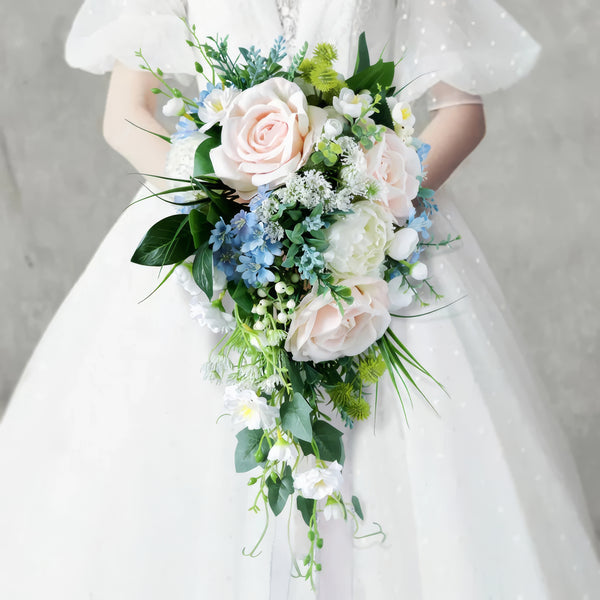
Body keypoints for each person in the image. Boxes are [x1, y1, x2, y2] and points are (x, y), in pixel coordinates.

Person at [0, 1, 599, 598]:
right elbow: (125, 113)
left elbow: (462, 113)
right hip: (215, 237)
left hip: (377, 239)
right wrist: (215, 201)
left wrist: (367, 207)